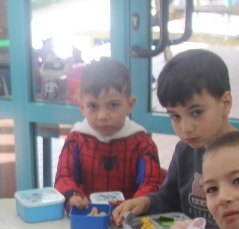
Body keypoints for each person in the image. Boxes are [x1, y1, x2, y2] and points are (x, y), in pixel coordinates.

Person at [112, 49, 239, 226]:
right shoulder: (185, 151)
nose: (186, 128)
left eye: (196, 112)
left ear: (225, 103)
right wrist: (146, 202)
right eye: (175, 116)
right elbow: (169, 201)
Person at [53, 58, 165, 209]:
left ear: (130, 105)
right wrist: (73, 196)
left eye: (113, 105)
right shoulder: (76, 140)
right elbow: (64, 176)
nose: (103, 116)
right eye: (93, 106)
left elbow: (152, 181)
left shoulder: (142, 143)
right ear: (82, 107)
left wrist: (137, 203)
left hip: (130, 217)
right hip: (86, 214)